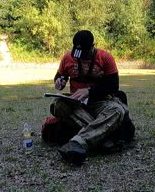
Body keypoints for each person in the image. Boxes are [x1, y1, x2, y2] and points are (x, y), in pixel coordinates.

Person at [50, 30, 129, 165]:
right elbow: (60, 76)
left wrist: (89, 91)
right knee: (57, 104)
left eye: (84, 53)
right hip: (77, 104)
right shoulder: (67, 57)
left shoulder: (106, 58)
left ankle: (78, 142)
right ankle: (104, 139)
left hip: (101, 103)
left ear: (93, 46)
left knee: (117, 110)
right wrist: (59, 82)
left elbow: (113, 86)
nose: (79, 57)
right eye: (77, 53)